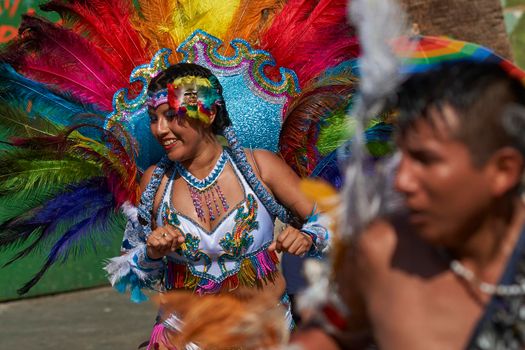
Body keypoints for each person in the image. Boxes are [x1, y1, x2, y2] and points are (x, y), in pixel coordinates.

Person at [292, 60, 525, 349]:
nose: (401, 180)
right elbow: (327, 333)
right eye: (399, 156)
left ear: (503, 171)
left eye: (425, 159)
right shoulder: (383, 250)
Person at [105, 62, 329, 350]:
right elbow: (127, 270)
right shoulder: (155, 183)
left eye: (172, 116)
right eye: (153, 118)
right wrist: (151, 252)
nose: (160, 130)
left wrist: (308, 236)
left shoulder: (260, 167)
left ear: (208, 113)